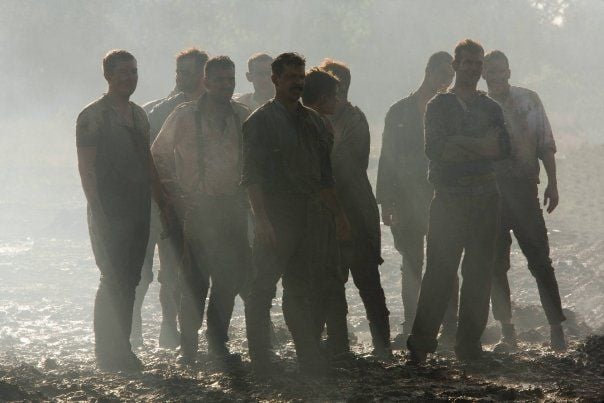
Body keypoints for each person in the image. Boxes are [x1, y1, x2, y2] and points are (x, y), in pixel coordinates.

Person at [241, 52, 350, 377]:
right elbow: (252, 177)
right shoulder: (259, 122)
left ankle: (307, 356)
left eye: (300, 77)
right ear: (275, 80)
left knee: (301, 289)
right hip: (275, 214)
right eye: (290, 77)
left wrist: (339, 216)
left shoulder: (316, 122)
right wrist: (260, 220)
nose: (297, 83)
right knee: (262, 288)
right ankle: (261, 359)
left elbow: (325, 176)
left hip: (308, 215)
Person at [406, 39, 511, 363]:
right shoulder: (439, 105)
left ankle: (469, 345)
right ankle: (421, 345)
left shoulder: (490, 107)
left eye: (478, 63)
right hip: (449, 198)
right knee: (439, 271)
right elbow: (436, 150)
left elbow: (500, 150)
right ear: (456, 65)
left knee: (479, 272)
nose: (474, 69)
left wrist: (462, 143)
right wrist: (479, 144)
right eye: (468, 62)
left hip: (484, 197)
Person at [151, 56, 251, 365]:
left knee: (229, 278)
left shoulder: (243, 116)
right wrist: (175, 197)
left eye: (230, 80)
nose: (225, 85)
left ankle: (217, 341)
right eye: (219, 80)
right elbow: (158, 156)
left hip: (232, 208)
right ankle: (189, 346)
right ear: (206, 82)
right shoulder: (185, 116)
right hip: (197, 208)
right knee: (194, 280)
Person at [76, 50, 171, 371]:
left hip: (138, 207)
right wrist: (99, 212)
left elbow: (148, 162)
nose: (129, 77)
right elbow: (86, 170)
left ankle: (123, 348)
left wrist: (161, 201)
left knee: (131, 278)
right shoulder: (92, 116)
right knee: (112, 277)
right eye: (122, 72)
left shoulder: (139, 115)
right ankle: (107, 352)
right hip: (108, 208)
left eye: (133, 71)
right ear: (108, 76)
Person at [482, 50, 566, 351]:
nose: (497, 76)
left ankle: (557, 328)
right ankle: (507, 331)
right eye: (490, 71)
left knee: (541, 261)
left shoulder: (528, 100)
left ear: (509, 71)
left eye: (501, 70)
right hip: (492, 194)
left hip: (525, 190)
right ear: (484, 75)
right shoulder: (479, 106)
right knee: (495, 265)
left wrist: (553, 183)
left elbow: (545, 143)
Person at [376, 52, 458, 348]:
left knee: (446, 263)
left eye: (449, 75)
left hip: (444, 197)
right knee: (412, 263)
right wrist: (385, 200)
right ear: (427, 71)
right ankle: (412, 326)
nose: (444, 80)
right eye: (440, 73)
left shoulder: (453, 110)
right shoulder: (400, 111)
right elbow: (387, 157)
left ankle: (450, 328)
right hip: (407, 199)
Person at [131, 48, 209, 349]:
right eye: (178, 72)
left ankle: (168, 328)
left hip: (189, 202)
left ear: (204, 73)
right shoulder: (160, 111)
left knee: (175, 270)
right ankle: (133, 329)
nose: (180, 78)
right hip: (154, 200)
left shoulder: (215, 109)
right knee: (142, 269)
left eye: (187, 72)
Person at [320, 59, 392, 358]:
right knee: (331, 282)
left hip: (355, 209)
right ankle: (338, 345)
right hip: (330, 208)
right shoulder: (319, 118)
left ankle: (382, 346)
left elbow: (345, 164)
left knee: (366, 280)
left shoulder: (354, 120)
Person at [301, 67, 351, 360]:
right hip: (317, 214)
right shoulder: (319, 125)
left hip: (306, 212)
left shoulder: (298, 120)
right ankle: (329, 344)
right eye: (335, 95)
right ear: (322, 98)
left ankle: (320, 341)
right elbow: (323, 177)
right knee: (327, 278)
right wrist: (339, 215)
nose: (339, 101)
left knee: (318, 279)